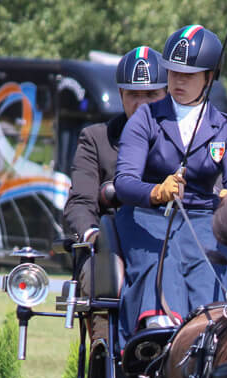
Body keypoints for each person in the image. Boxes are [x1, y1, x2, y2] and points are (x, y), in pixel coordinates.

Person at [114, 24, 227, 342]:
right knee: (162, 260)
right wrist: (155, 191)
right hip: (146, 216)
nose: (178, 81)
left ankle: (213, 338)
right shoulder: (145, 118)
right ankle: (155, 334)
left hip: (203, 218)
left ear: (209, 77)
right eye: (174, 72)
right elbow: (124, 182)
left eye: (188, 75)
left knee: (209, 267)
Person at [63, 45, 168, 340]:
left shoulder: (183, 140)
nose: (141, 103)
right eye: (133, 94)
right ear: (121, 94)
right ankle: (109, 356)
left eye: (151, 94)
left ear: (167, 95)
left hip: (169, 243)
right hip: (112, 247)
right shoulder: (96, 140)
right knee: (104, 273)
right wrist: (95, 236)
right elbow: (79, 204)